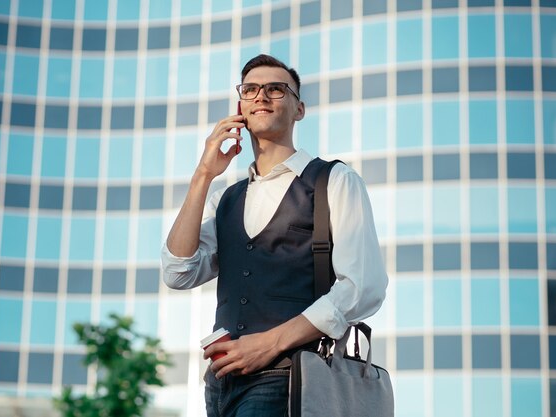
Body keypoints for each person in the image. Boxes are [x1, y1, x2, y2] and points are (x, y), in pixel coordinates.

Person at [161, 54, 388, 417]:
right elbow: (178, 272)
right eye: (251, 89)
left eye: (275, 89)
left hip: (291, 375)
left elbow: (363, 286)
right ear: (240, 108)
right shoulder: (226, 198)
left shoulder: (334, 181)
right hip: (220, 386)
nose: (261, 96)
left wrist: (269, 344)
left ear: (299, 109)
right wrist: (204, 174)